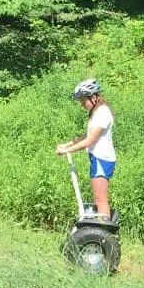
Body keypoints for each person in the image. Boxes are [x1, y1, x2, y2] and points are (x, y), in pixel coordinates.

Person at [55, 78, 116, 219]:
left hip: (102, 159)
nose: (82, 105)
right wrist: (68, 144)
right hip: (98, 158)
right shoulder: (97, 111)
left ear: (94, 97)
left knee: (100, 200)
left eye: (83, 101)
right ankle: (103, 232)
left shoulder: (102, 113)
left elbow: (90, 140)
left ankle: (105, 233)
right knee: (98, 199)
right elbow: (87, 135)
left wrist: (67, 151)